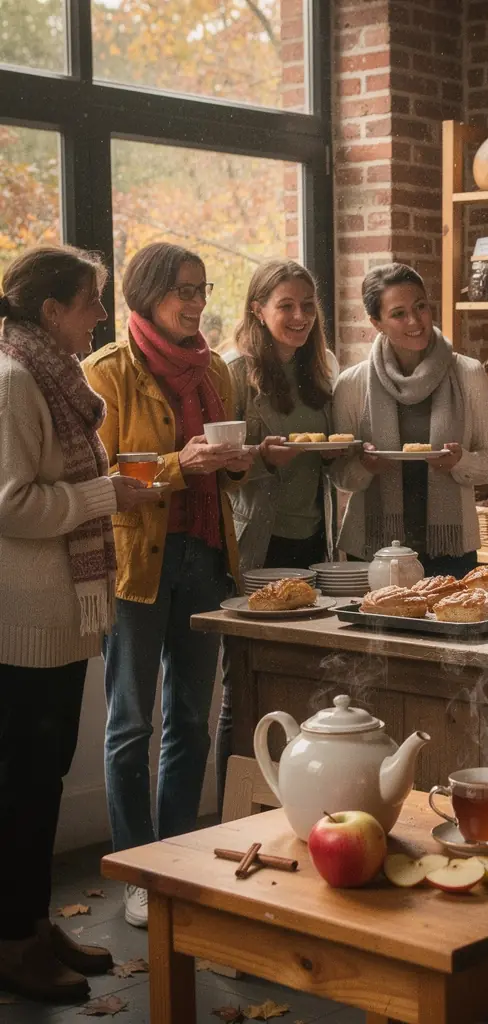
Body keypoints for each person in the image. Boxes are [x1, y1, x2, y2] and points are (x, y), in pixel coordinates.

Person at [0, 246, 160, 1002]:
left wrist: (106, 484)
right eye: (91, 302)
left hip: (57, 618)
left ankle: (30, 926)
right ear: (51, 313)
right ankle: (13, 943)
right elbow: (9, 504)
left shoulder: (52, 381)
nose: (102, 314)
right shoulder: (12, 383)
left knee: (40, 780)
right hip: (23, 624)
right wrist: (105, 497)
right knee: (23, 789)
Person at [83, 242, 254, 930]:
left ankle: (177, 859)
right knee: (130, 725)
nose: (197, 302)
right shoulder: (104, 372)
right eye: (184, 290)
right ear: (146, 293)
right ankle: (137, 868)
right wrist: (182, 464)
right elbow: (107, 483)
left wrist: (237, 462)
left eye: (203, 289)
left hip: (206, 557)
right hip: (137, 564)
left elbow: (225, 469)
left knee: (189, 718)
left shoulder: (215, 367)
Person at [215, 258, 339, 810]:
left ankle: (298, 806)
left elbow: (330, 459)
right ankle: (232, 809)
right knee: (244, 689)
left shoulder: (322, 369)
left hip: (314, 545)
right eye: (285, 305)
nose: (299, 316)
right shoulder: (234, 372)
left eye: (308, 305)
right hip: (254, 547)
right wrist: (264, 459)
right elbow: (220, 466)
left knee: (308, 679)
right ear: (257, 310)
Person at [332, 262, 488, 577]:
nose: (415, 321)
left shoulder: (469, 373)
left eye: (421, 307)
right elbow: (340, 475)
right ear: (376, 322)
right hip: (373, 549)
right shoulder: (351, 384)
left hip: (450, 549)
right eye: (398, 314)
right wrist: (365, 467)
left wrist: (460, 462)